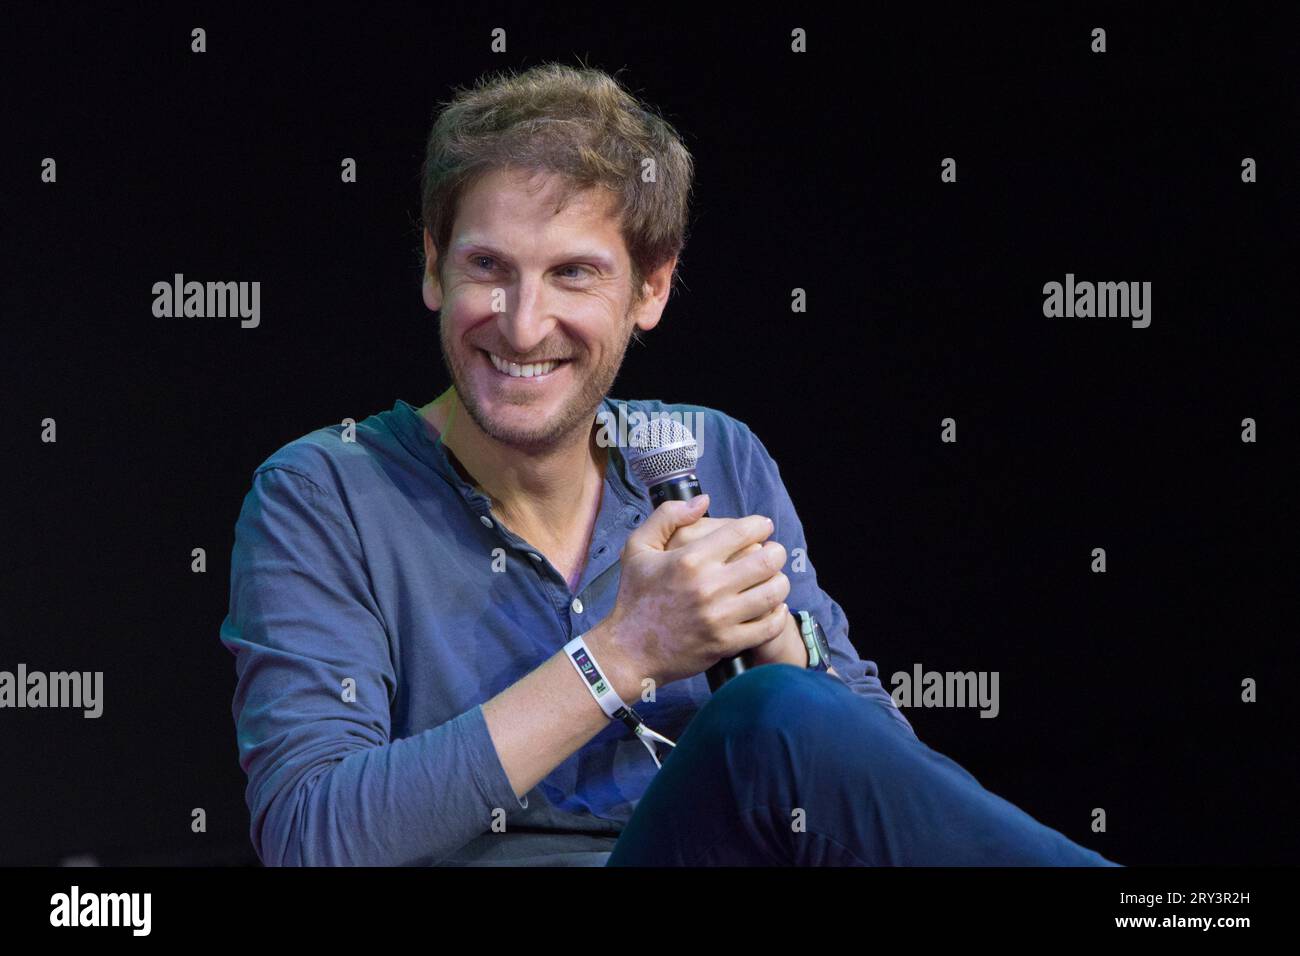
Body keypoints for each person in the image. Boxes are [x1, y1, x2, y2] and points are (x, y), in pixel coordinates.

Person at [219, 62, 1119, 867]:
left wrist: (780, 652)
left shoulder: (711, 454)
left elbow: (877, 789)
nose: (523, 324)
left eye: (574, 274)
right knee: (771, 724)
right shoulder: (323, 491)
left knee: (786, 715)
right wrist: (623, 653)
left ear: (651, 289)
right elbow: (311, 837)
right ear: (431, 268)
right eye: (489, 267)